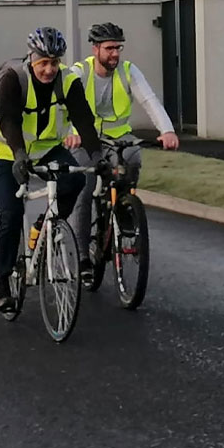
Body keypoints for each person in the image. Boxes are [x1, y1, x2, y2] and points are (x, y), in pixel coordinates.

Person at [0, 26, 103, 312]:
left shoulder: (68, 81)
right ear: (32, 58)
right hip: (8, 153)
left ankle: (47, 225)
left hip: (48, 149)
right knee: (11, 215)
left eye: (54, 63)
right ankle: (2, 285)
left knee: (76, 180)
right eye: (43, 63)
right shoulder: (15, 79)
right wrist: (18, 156)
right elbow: (9, 121)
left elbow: (85, 120)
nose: (49, 69)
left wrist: (98, 159)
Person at [67, 22, 179, 273]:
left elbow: (149, 100)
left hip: (119, 137)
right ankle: (83, 256)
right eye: (109, 48)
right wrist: (69, 134)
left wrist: (167, 130)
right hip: (85, 140)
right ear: (95, 49)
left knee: (133, 157)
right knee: (83, 191)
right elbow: (60, 104)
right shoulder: (79, 72)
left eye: (118, 48)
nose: (115, 54)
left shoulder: (128, 70)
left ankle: (125, 205)